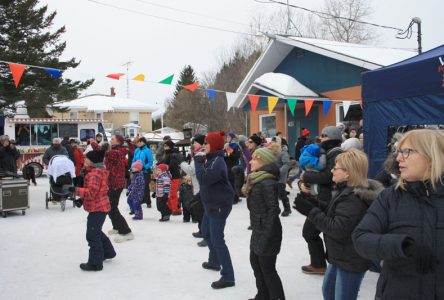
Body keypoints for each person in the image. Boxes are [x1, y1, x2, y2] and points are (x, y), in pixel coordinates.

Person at [352, 129, 444, 300]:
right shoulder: (390, 197)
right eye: (398, 152)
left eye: (407, 152)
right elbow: (361, 238)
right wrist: (401, 245)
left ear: (431, 156)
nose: (398, 158)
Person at [295, 150, 383, 300]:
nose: (332, 171)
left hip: (350, 259)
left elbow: (337, 229)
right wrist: (313, 203)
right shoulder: (345, 191)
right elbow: (335, 212)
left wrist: (312, 211)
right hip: (339, 255)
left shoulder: (353, 198)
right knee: (329, 292)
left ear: (348, 173)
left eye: (336, 168)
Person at [298, 126, 343, 274]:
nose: (321, 138)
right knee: (322, 232)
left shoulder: (336, 153)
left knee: (311, 232)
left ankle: (324, 265)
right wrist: (304, 183)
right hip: (323, 198)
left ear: (332, 137)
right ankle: (323, 264)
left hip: (329, 199)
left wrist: (306, 177)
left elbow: (327, 177)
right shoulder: (326, 152)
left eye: (324, 135)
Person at [195, 130, 235, 289]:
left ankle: (228, 276)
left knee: (218, 240)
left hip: (219, 205)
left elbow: (204, 179)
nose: (203, 145)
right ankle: (214, 261)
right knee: (206, 232)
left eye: (206, 143)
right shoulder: (211, 159)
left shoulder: (217, 161)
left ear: (214, 145)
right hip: (210, 204)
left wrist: (197, 164)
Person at [245, 146, 286, 300]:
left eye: (255, 158)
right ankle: (263, 295)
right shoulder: (257, 178)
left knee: (267, 269)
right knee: (256, 263)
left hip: (268, 232)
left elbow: (273, 211)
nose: (251, 161)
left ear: (263, 161)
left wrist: (265, 236)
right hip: (258, 229)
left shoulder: (267, 181)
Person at [70, 147, 116, 271]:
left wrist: (75, 190)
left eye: (87, 159)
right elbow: (97, 191)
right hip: (100, 206)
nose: (85, 160)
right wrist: (81, 199)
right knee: (96, 231)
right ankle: (108, 252)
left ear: (93, 161)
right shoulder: (96, 171)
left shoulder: (94, 174)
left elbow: (91, 193)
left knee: (92, 235)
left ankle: (95, 264)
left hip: (98, 208)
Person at [105, 135, 134, 242]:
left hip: (115, 183)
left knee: (112, 207)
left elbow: (104, 153)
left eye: (112, 139)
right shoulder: (116, 150)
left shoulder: (117, 152)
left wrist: (94, 143)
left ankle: (126, 232)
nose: (110, 140)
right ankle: (116, 227)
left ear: (118, 141)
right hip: (111, 182)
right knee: (111, 206)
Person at [180, 134, 206, 241]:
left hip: (200, 187)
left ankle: (204, 232)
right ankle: (201, 230)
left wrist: (182, 163)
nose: (193, 145)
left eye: (195, 142)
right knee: (199, 210)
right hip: (197, 185)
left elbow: (191, 170)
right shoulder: (197, 154)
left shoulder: (200, 155)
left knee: (201, 211)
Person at [132, 137, 154, 208]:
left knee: (145, 187)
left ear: (143, 142)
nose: (138, 143)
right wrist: (132, 168)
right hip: (136, 171)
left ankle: (148, 202)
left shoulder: (148, 150)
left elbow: (150, 162)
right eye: (137, 142)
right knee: (137, 186)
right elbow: (133, 160)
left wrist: (145, 167)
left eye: (139, 142)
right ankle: (139, 200)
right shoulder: (136, 150)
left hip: (145, 171)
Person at [163, 140, 183, 215]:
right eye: (164, 146)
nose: (165, 148)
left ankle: (177, 209)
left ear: (170, 146)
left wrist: (166, 167)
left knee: (173, 193)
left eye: (166, 146)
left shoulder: (173, 154)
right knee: (169, 192)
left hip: (174, 176)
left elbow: (172, 165)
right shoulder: (168, 154)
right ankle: (171, 207)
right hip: (169, 176)